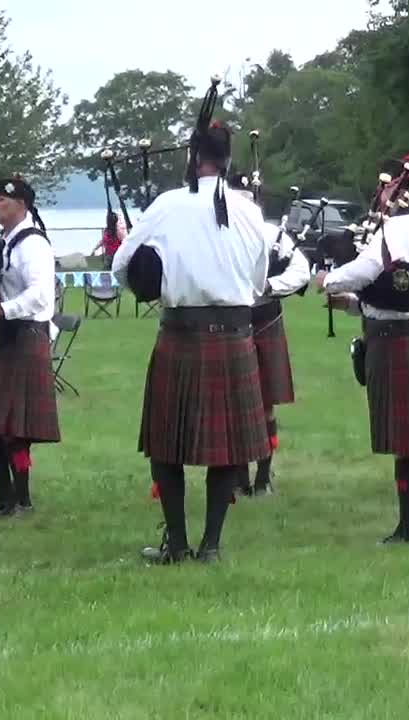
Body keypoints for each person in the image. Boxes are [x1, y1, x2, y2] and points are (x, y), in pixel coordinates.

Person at [112, 118, 271, 565]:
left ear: (192, 157)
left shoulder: (167, 205)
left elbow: (122, 266)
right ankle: (212, 546)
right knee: (227, 449)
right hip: (235, 333)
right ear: (227, 159)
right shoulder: (249, 211)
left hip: (181, 332)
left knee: (167, 446)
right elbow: (259, 281)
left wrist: (153, 281)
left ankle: (178, 543)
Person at [318, 160, 409, 545]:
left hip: (399, 340)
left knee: (408, 442)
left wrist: (327, 280)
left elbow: (366, 270)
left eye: (386, 188)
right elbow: (396, 292)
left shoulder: (396, 228)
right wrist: (352, 305)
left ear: (401, 193)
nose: (380, 195)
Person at [0, 176, 61, 518]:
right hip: (7, 336)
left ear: (21, 204)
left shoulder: (32, 244)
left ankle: (20, 499)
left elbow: (40, 294)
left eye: (0, 200)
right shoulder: (6, 242)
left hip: (26, 335)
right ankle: (4, 495)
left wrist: (3, 310)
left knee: (15, 431)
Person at [229, 172, 311, 496]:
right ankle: (236, 477)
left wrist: (271, 285)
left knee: (263, 406)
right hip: (230, 319)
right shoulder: (222, 233)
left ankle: (262, 476)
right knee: (233, 405)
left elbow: (302, 271)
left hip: (263, 317)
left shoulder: (271, 233)